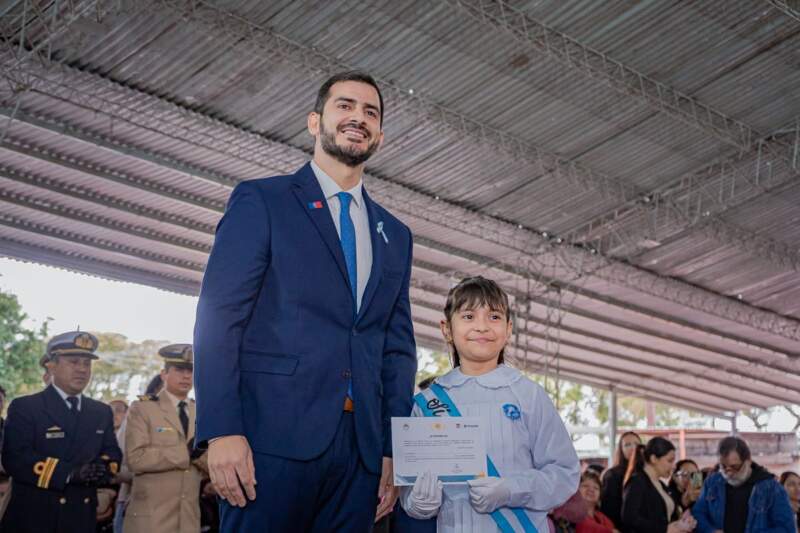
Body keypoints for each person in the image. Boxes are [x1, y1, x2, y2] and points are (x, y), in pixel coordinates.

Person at [194, 70, 417, 532]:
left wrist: (396, 449)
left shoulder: (395, 235)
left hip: (361, 453)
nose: (358, 117)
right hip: (268, 443)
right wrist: (221, 430)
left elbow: (397, 350)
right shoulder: (263, 201)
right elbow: (219, 319)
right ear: (315, 122)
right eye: (345, 106)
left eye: (370, 112)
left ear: (380, 136)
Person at [400, 276, 580, 532]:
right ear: (447, 329)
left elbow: (564, 473)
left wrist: (511, 489)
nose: (482, 327)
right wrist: (419, 502)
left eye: (494, 317)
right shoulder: (427, 403)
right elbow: (410, 491)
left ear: (508, 329)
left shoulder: (529, 395)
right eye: (469, 316)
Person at [0, 331, 122, 533]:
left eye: (86, 363)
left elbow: (113, 452)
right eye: (74, 362)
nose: (82, 370)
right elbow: (15, 459)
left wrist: (102, 469)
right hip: (35, 518)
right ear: (51, 365)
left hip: (81, 517)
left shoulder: (100, 411)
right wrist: (69, 473)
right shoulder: (26, 407)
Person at [123, 344, 208, 533]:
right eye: (179, 370)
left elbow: (212, 465)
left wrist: (202, 457)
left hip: (189, 520)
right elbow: (136, 458)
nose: (186, 376)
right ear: (164, 374)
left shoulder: (201, 412)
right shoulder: (142, 408)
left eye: (191, 371)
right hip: (150, 521)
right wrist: (185, 453)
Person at [693, 436, 795, 533]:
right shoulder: (712, 482)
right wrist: (710, 531)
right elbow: (698, 513)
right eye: (723, 467)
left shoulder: (772, 488)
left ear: (748, 461)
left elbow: (786, 529)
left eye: (735, 467)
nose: (729, 473)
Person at [621, 438, 696, 533]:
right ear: (654, 459)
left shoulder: (660, 485)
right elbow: (629, 518)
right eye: (669, 461)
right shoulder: (637, 482)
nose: (673, 466)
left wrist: (681, 523)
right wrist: (665, 529)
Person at [601, 431, 641, 528]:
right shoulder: (612, 475)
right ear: (621, 450)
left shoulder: (646, 473)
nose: (633, 447)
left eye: (636, 444)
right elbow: (608, 510)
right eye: (627, 445)